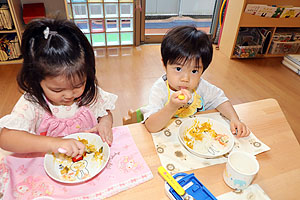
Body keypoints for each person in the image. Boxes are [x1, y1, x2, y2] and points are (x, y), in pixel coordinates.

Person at [0, 18, 117, 158]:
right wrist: (54, 144)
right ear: (37, 80)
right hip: (49, 163)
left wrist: (105, 123)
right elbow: (6, 139)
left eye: (78, 85)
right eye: (57, 90)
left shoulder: (88, 92)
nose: (69, 95)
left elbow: (105, 112)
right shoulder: (32, 103)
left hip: (88, 157)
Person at [141, 26, 250, 137]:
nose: (185, 79)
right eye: (178, 69)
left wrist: (234, 119)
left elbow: (220, 99)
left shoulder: (200, 86)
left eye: (194, 71)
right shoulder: (160, 90)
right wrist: (171, 107)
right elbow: (151, 127)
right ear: (165, 65)